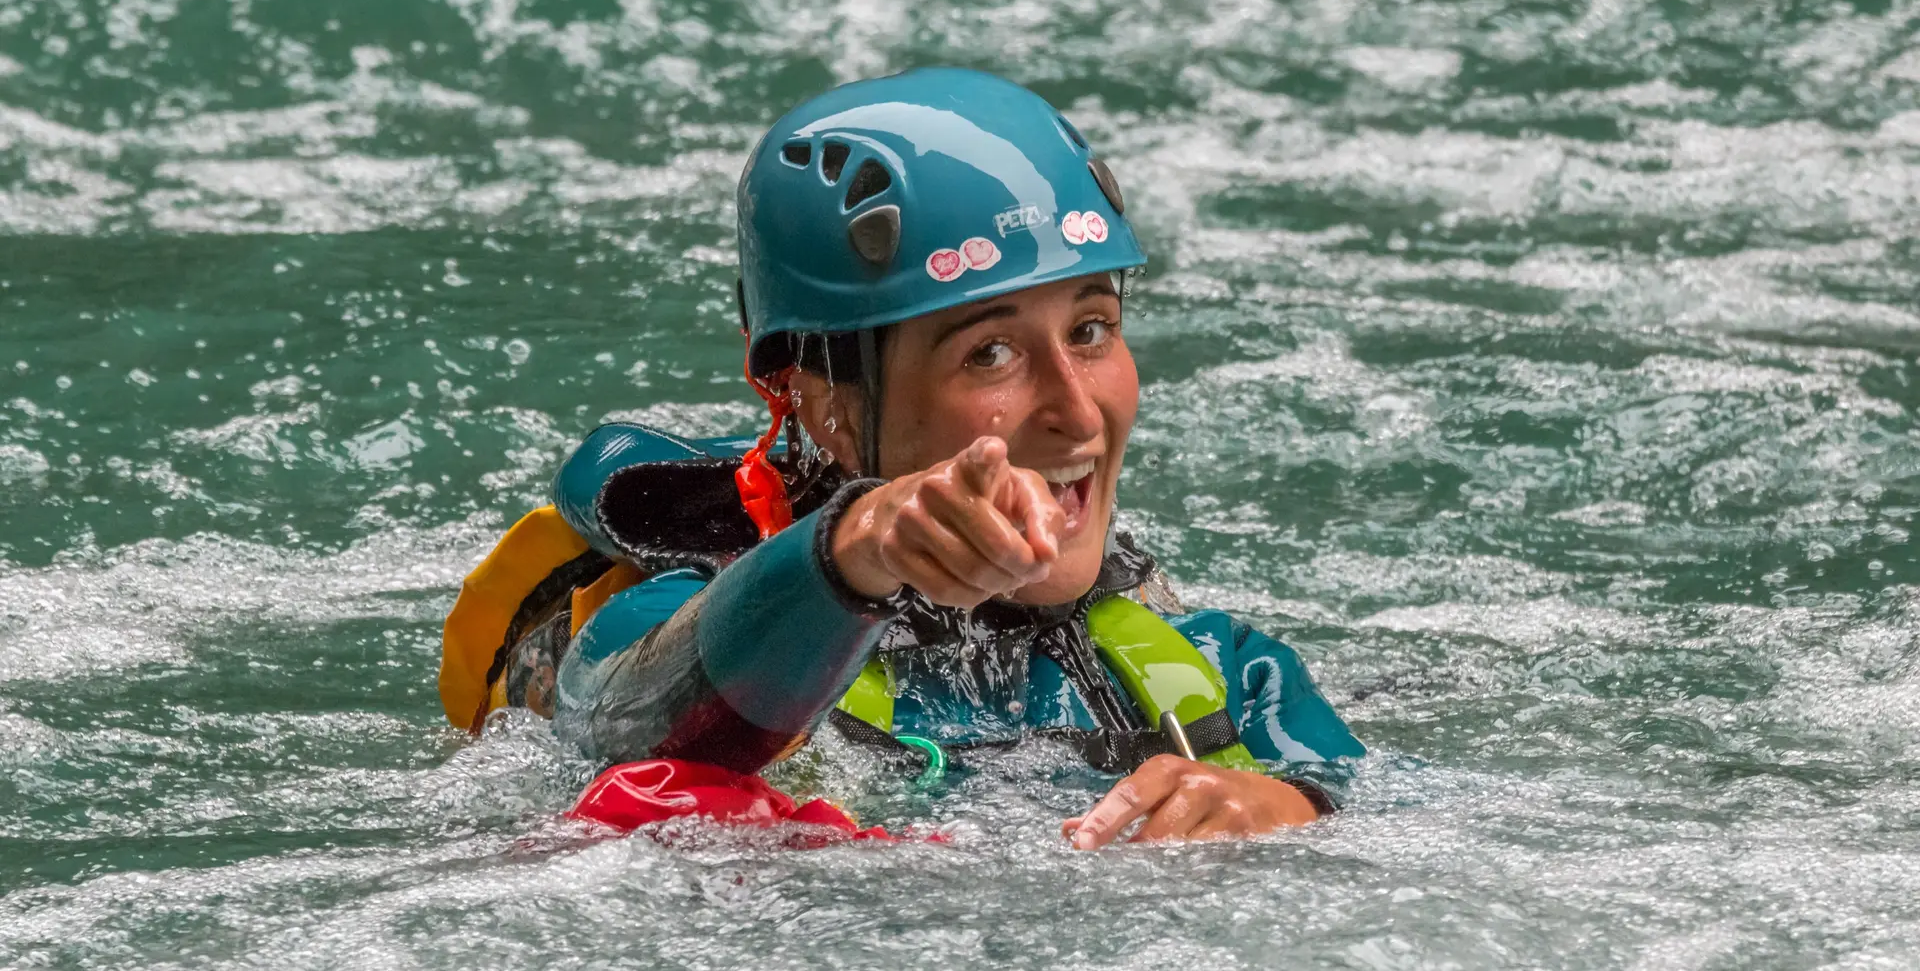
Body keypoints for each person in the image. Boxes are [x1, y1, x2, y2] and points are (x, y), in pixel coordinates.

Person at [437, 68, 1364, 848]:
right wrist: (856, 551)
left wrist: (1291, 806)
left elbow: (1413, 813)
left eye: (1091, 329)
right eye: (989, 354)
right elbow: (620, 722)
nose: (1076, 412)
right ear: (831, 407)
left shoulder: (1219, 670)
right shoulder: (685, 612)